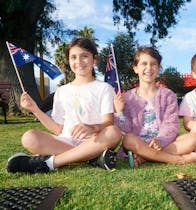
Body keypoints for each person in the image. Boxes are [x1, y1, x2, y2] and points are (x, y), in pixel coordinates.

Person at [6, 37, 122, 173]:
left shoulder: (104, 88)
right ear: (69, 60)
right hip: (66, 142)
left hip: (95, 141)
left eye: (84, 56)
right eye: (73, 57)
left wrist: (92, 127)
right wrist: (35, 109)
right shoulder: (62, 91)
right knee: (29, 138)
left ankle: (50, 163)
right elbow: (58, 129)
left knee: (114, 132)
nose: (78, 61)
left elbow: (108, 122)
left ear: (94, 59)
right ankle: (93, 158)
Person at [114, 46, 196, 167]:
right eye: (144, 64)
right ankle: (179, 160)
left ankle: (144, 157)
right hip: (138, 143)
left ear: (158, 68)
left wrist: (160, 140)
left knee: (195, 139)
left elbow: (171, 125)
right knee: (128, 139)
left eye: (153, 64)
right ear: (135, 68)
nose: (148, 68)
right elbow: (126, 130)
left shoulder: (168, 95)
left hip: (164, 143)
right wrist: (119, 112)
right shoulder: (127, 97)